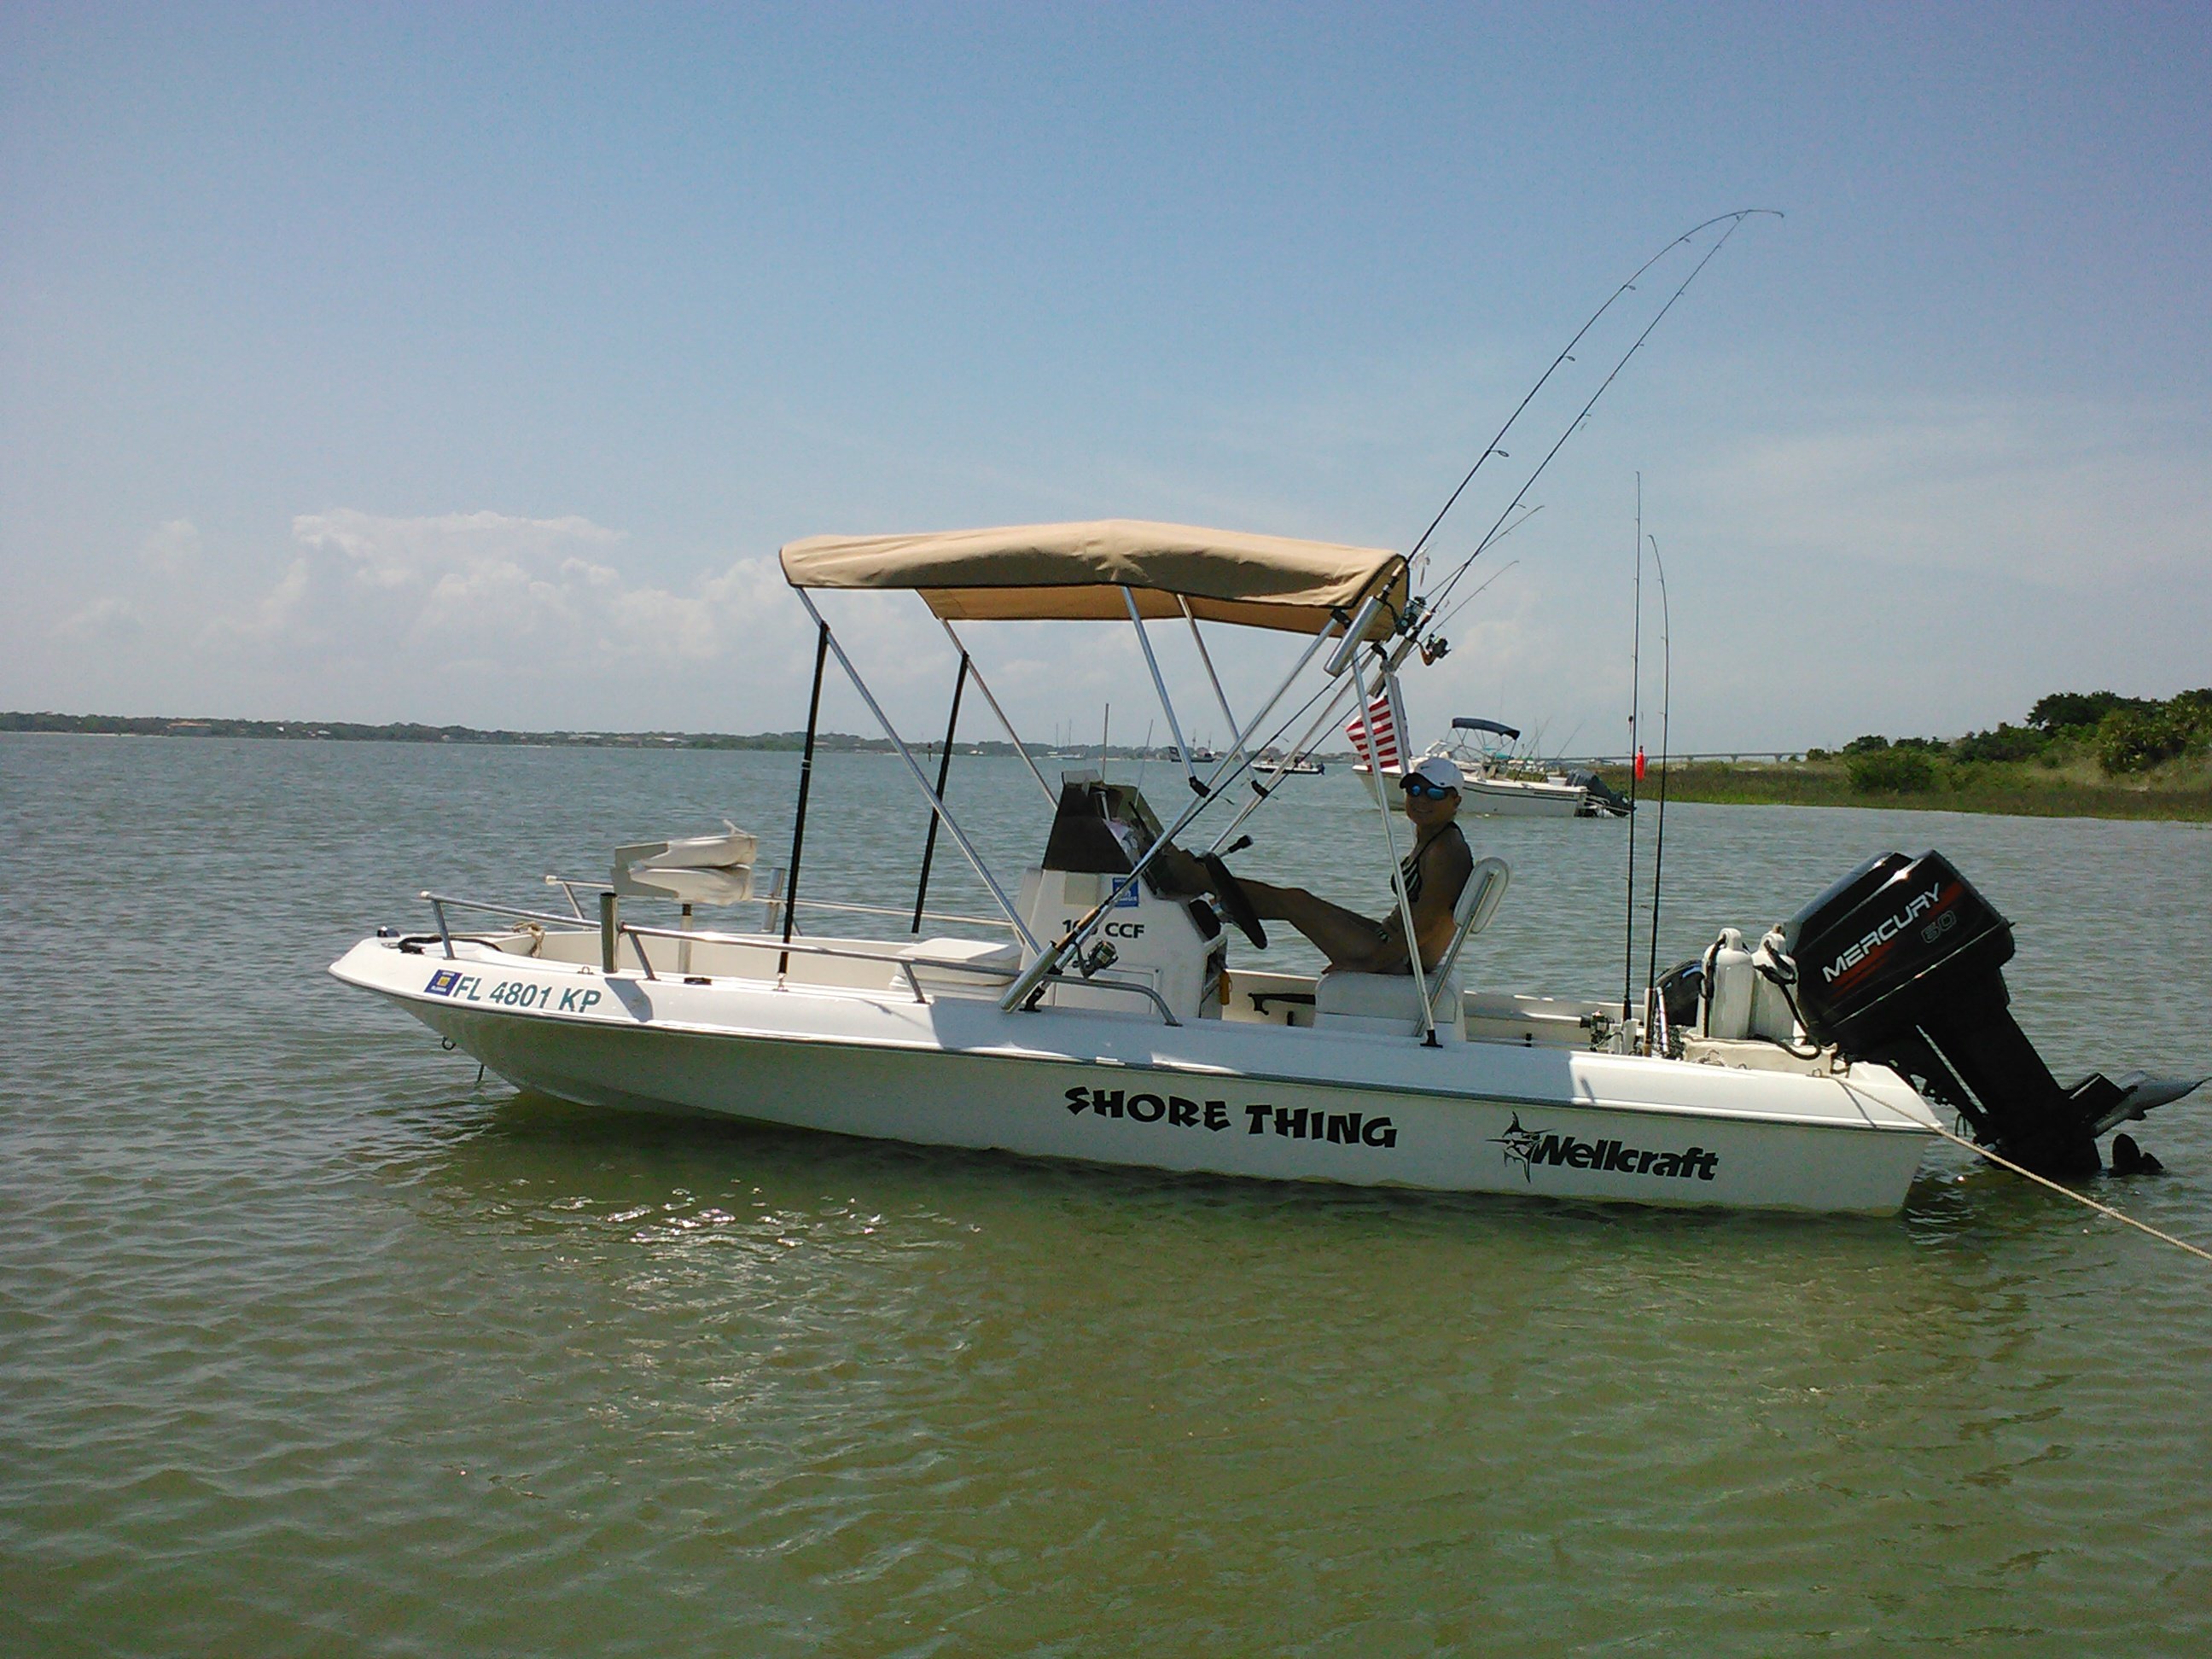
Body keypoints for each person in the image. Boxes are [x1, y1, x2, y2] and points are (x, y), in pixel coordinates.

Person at [1157, 754, 1475, 974]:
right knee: (1297, 898)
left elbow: (1426, 926)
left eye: (1434, 793)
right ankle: (1209, 886)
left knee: (1295, 903)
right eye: (1414, 789)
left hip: (1400, 959)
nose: (1421, 799)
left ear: (1455, 800)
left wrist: (1369, 965)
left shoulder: (1446, 851)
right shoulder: (1432, 837)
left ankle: (1196, 879)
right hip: (1389, 941)